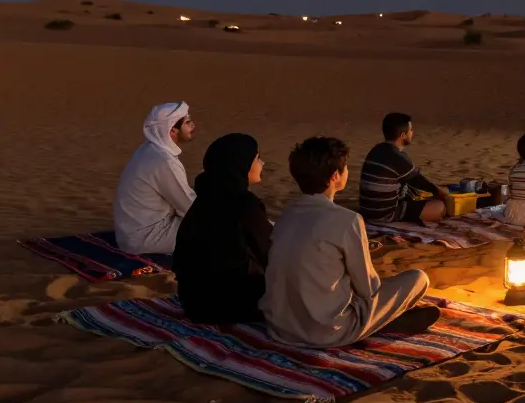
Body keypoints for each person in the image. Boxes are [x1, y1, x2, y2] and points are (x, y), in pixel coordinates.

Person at [261, 136, 439, 347]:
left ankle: (381, 320)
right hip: (327, 332)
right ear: (335, 176)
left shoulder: (287, 215)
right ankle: (380, 321)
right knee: (418, 278)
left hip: (279, 327)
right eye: (345, 168)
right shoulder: (348, 220)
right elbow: (368, 289)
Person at [174, 133, 272, 325]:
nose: (263, 163)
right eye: (257, 158)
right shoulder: (244, 204)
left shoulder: (204, 199)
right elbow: (269, 253)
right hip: (229, 306)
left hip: (194, 303)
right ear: (241, 164)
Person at [113, 102, 197, 254]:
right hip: (146, 238)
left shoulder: (149, 149)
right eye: (188, 122)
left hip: (131, 233)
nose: (193, 126)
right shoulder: (164, 161)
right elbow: (189, 207)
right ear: (172, 130)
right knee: (219, 230)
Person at [358, 112, 448, 225]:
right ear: (402, 135)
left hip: (367, 212)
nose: (412, 133)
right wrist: (442, 195)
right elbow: (420, 182)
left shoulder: (376, 150)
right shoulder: (397, 156)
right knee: (440, 207)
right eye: (410, 131)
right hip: (384, 215)